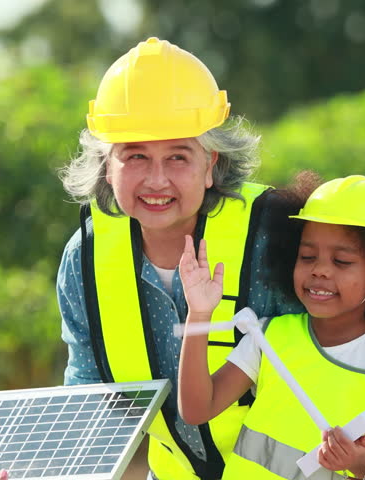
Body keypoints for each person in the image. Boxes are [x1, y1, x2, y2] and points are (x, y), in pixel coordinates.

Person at [56, 37, 303, 479]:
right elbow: (87, 401)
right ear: (107, 166)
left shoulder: (273, 236)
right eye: (135, 156)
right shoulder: (85, 259)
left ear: (211, 163)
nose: (156, 180)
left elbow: (335, 361)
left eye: (177, 156)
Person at [177, 173, 365, 479]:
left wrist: (358, 462)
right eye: (307, 256)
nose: (320, 271)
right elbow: (197, 410)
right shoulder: (269, 336)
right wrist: (199, 313)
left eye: (341, 261)